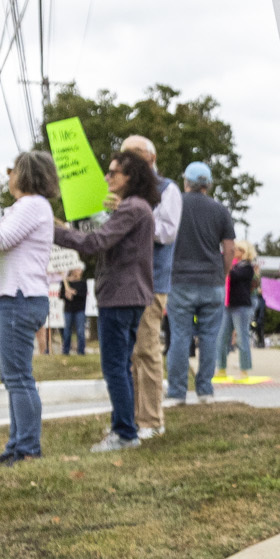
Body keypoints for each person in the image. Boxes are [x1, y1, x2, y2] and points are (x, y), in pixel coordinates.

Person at [55, 151, 163, 452]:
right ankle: (123, 427)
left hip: (120, 296)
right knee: (122, 366)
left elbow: (96, 242)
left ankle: (125, 433)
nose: (106, 177)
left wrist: (56, 232)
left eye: (113, 172)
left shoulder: (131, 208)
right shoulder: (137, 207)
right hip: (130, 296)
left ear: (131, 177)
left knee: (114, 367)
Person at [0, 150, 58, 463]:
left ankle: (27, 448)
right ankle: (17, 445)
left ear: (24, 174)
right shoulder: (27, 207)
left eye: (13, 170)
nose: (9, 175)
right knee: (14, 376)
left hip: (17, 297)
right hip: (14, 297)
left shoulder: (32, 205)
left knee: (18, 377)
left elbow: (0, 240)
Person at [115, 134, 177, 440]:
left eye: (134, 156)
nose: (129, 162)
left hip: (152, 282)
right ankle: (132, 418)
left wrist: (134, 214)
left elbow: (166, 232)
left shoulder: (167, 190)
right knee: (128, 353)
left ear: (151, 158)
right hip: (124, 281)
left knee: (147, 349)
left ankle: (152, 419)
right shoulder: (123, 192)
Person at [163, 161, 237, 407]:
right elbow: (229, 248)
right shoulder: (220, 210)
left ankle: (176, 393)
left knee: (180, 337)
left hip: (180, 281)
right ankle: (205, 390)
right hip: (212, 282)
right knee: (209, 338)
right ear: (209, 184)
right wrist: (222, 274)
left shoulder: (176, 205)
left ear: (186, 182)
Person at [223, 240, 259, 375]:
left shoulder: (247, 267)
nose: (234, 251)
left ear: (244, 252)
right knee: (222, 338)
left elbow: (234, 276)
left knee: (242, 338)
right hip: (228, 305)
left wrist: (227, 266)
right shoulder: (233, 266)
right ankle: (221, 368)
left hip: (241, 306)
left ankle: (245, 369)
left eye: (237, 249)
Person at [58, 262, 89, 355]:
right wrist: (66, 294)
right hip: (68, 310)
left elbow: (83, 295)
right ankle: (66, 351)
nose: (77, 271)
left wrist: (73, 293)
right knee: (67, 331)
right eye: (76, 269)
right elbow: (61, 295)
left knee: (80, 331)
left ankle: (81, 351)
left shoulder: (83, 283)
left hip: (80, 310)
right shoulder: (66, 282)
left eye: (79, 270)